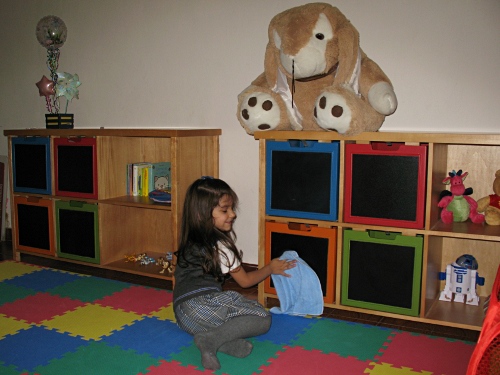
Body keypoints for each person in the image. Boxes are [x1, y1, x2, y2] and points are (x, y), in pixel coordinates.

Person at [173, 177, 296, 370]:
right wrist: (270, 268)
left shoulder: (189, 240)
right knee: (262, 318)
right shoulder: (219, 244)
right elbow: (246, 282)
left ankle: (219, 343)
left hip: (183, 316)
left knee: (225, 319)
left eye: (231, 208)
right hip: (202, 304)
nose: (232, 214)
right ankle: (211, 339)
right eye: (224, 210)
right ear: (202, 213)